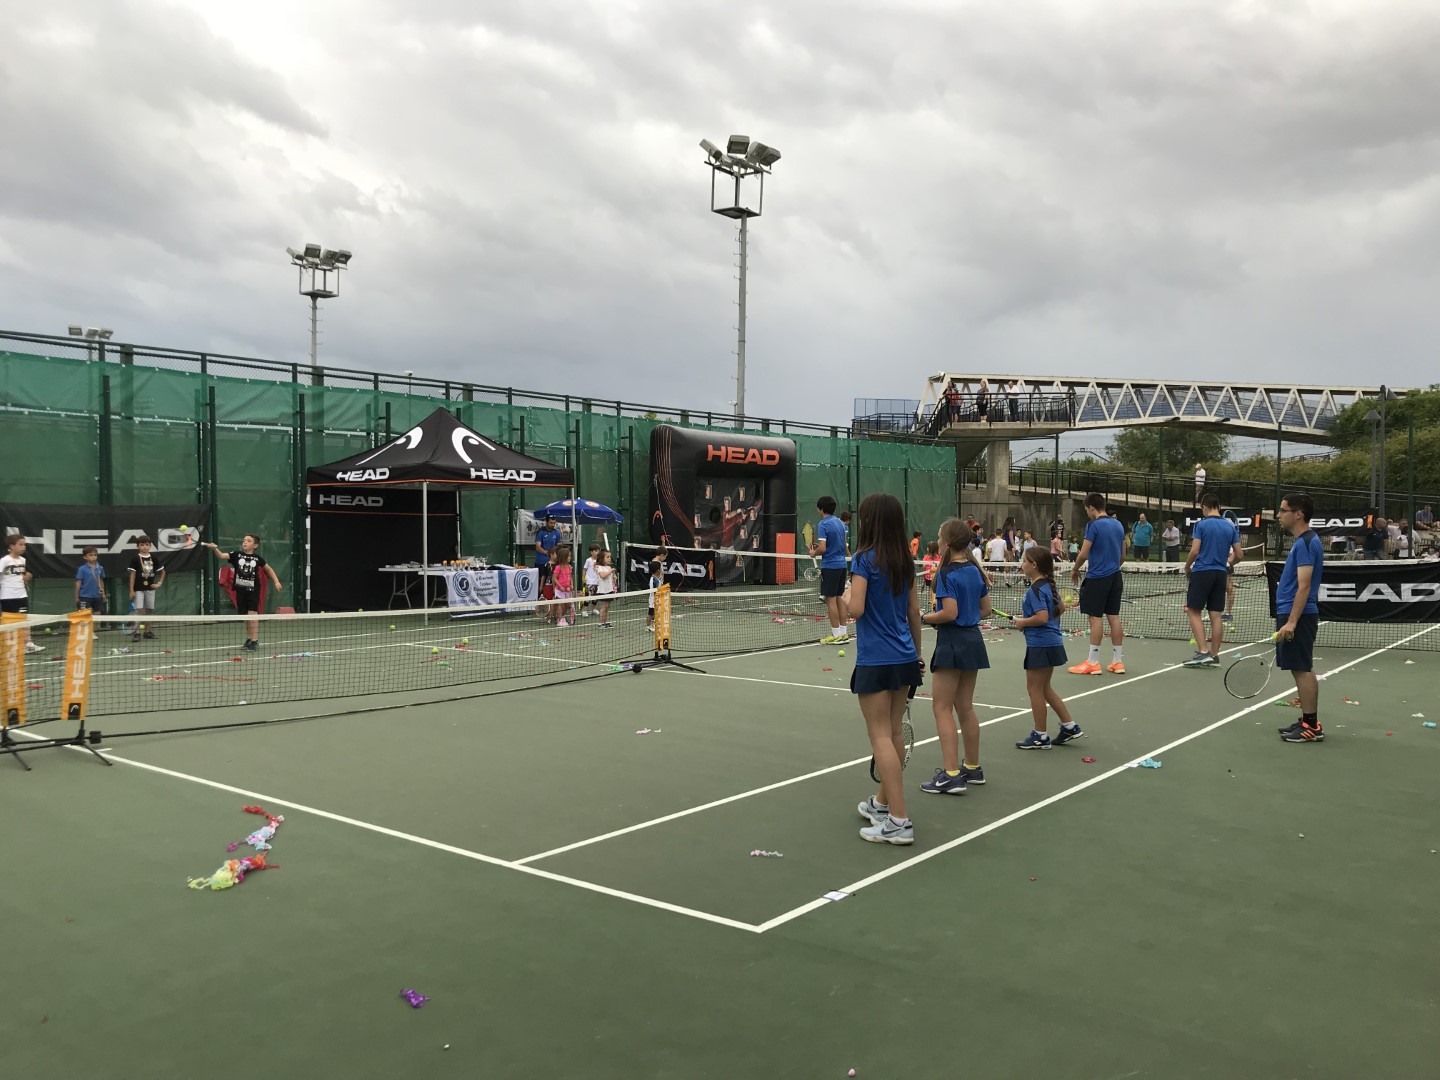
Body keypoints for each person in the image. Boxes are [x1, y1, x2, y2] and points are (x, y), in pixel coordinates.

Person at [850, 492, 923, 846]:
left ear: (870, 521)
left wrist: (842, 597)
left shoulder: (863, 560)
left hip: (876, 660)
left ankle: (898, 821)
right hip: (905, 658)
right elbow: (914, 613)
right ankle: (882, 803)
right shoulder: (905, 562)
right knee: (893, 733)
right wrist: (918, 656)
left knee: (880, 736)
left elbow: (856, 609)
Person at [918, 518, 989, 795]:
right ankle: (972, 767)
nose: (937, 540)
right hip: (973, 641)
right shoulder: (974, 570)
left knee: (942, 708)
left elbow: (949, 613)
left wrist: (924, 617)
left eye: (939, 536)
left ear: (947, 542)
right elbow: (985, 610)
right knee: (965, 706)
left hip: (953, 643)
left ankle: (950, 775)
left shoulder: (947, 573)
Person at [1013, 548, 1084, 748]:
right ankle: (1070, 726)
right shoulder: (1048, 586)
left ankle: (1040, 736)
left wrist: (1023, 623)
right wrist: (1030, 622)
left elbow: (1042, 617)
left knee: (1034, 689)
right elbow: (1060, 609)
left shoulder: (1035, 590)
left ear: (1034, 565)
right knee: (1044, 688)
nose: (1022, 564)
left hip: (1040, 645)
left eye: (1024, 561)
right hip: (1052, 642)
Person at [1275, 494, 1325, 743]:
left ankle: (1311, 726)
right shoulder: (1303, 542)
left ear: (1298, 514)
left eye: (1283, 510)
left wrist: (1292, 621)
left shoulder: (1306, 542)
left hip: (1299, 615)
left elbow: (1304, 585)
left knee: (1302, 668)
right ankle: (1307, 720)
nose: (1278, 515)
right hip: (1294, 612)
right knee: (1300, 667)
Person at [1183, 495, 1244, 667]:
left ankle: (1203, 652)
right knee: (1216, 614)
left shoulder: (1201, 525)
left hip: (1202, 572)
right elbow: (1239, 554)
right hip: (1220, 574)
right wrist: (1229, 563)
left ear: (1204, 507)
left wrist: (1187, 567)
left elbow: (1195, 550)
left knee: (1193, 611)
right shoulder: (1230, 526)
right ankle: (1214, 656)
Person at [1069, 493, 1127, 675]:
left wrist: (1075, 569)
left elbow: (1084, 553)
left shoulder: (1093, 525)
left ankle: (1093, 662)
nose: (1087, 513)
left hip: (1097, 578)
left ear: (1091, 507)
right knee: (1114, 617)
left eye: (1087, 510)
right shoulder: (1118, 524)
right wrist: (1112, 567)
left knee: (1095, 618)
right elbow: (1123, 556)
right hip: (1116, 577)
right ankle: (1118, 662)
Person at [202, 534, 282, 651]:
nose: (245, 542)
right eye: (244, 540)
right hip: (240, 590)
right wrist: (215, 548)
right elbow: (221, 556)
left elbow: (268, 569)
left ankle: (255, 640)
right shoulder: (236, 555)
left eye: (248, 541)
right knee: (245, 615)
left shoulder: (258, 558)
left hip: (253, 590)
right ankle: (249, 638)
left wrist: (276, 581)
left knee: (252, 614)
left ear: (255, 545)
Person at [812, 496, 850, 644]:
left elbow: (822, 548)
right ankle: (843, 634)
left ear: (821, 509)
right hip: (842, 565)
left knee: (831, 600)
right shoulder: (840, 523)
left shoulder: (823, 524)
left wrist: (814, 553)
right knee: (839, 598)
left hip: (830, 566)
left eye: (818, 509)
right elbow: (841, 544)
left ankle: (835, 635)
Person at [1, 533, 42, 653]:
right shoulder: (4, 561)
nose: (24, 547)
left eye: (24, 544)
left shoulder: (22, 560)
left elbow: (22, 577)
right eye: (20, 544)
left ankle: (29, 644)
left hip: (22, 595)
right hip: (7, 596)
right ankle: (8, 646)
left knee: (24, 619)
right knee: (9, 622)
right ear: (11, 546)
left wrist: (27, 577)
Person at [126, 534, 167, 641]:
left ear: (150, 546)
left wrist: (159, 583)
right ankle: (136, 633)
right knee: (138, 610)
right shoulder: (135, 559)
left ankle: (147, 631)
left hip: (150, 589)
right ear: (138, 546)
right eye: (142, 545)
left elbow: (162, 572)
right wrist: (131, 590)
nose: (145, 547)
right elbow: (132, 575)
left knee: (149, 610)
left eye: (147, 545)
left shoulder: (154, 558)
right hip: (138, 589)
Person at [534, 515, 561, 613]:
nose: (553, 525)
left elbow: (558, 545)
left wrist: (556, 554)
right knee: (541, 583)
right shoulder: (541, 532)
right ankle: (540, 605)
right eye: (551, 523)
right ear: (546, 522)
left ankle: (552, 606)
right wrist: (547, 553)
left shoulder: (557, 533)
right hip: (541, 562)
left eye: (554, 523)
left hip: (553, 563)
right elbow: (538, 547)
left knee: (553, 581)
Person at [74, 545, 107, 619]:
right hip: (85, 596)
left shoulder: (100, 568)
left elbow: (101, 581)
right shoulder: (82, 569)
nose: (93, 557)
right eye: (91, 555)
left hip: (97, 596)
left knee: (98, 614)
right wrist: (76, 596)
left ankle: (95, 627)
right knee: (85, 615)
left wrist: (103, 594)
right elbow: (78, 583)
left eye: (95, 555)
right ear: (85, 557)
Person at [552, 545, 575, 627]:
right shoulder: (558, 567)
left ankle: (561, 617)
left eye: (570, 556)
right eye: (569, 556)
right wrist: (560, 586)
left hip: (567, 590)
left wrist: (571, 585)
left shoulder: (569, 567)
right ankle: (560, 619)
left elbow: (570, 577)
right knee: (560, 605)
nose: (570, 558)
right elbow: (554, 578)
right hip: (559, 589)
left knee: (568, 605)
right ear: (564, 557)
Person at [593, 549, 616, 627]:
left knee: (607, 607)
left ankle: (605, 622)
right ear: (602, 558)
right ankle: (601, 623)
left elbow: (611, 578)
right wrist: (610, 571)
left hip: (609, 590)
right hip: (603, 591)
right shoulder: (600, 567)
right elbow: (602, 576)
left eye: (610, 557)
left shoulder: (609, 567)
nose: (609, 558)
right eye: (607, 557)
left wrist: (613, 576)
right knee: (604, 606)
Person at [581, 543, 601, 616]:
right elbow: (584, 569)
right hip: (589, 582)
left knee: (595, 597)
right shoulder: (588, 560)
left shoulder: (600, 561)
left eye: (598, 551)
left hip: (597, 582)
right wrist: (583, 578)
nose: (597, 552)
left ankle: (593, 609)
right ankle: (584, 611)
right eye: (595, 551)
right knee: (587, 597)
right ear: (591, 552)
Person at [646, 557, 663, 631]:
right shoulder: (654, 579)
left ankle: (652, 626)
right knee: (651, 614)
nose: (661, 570)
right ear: (658, 570)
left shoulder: (656, 578)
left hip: (656, 599)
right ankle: (649, 626)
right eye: (660, 569)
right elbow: (655, 590)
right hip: (653, 600)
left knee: (653, 614)